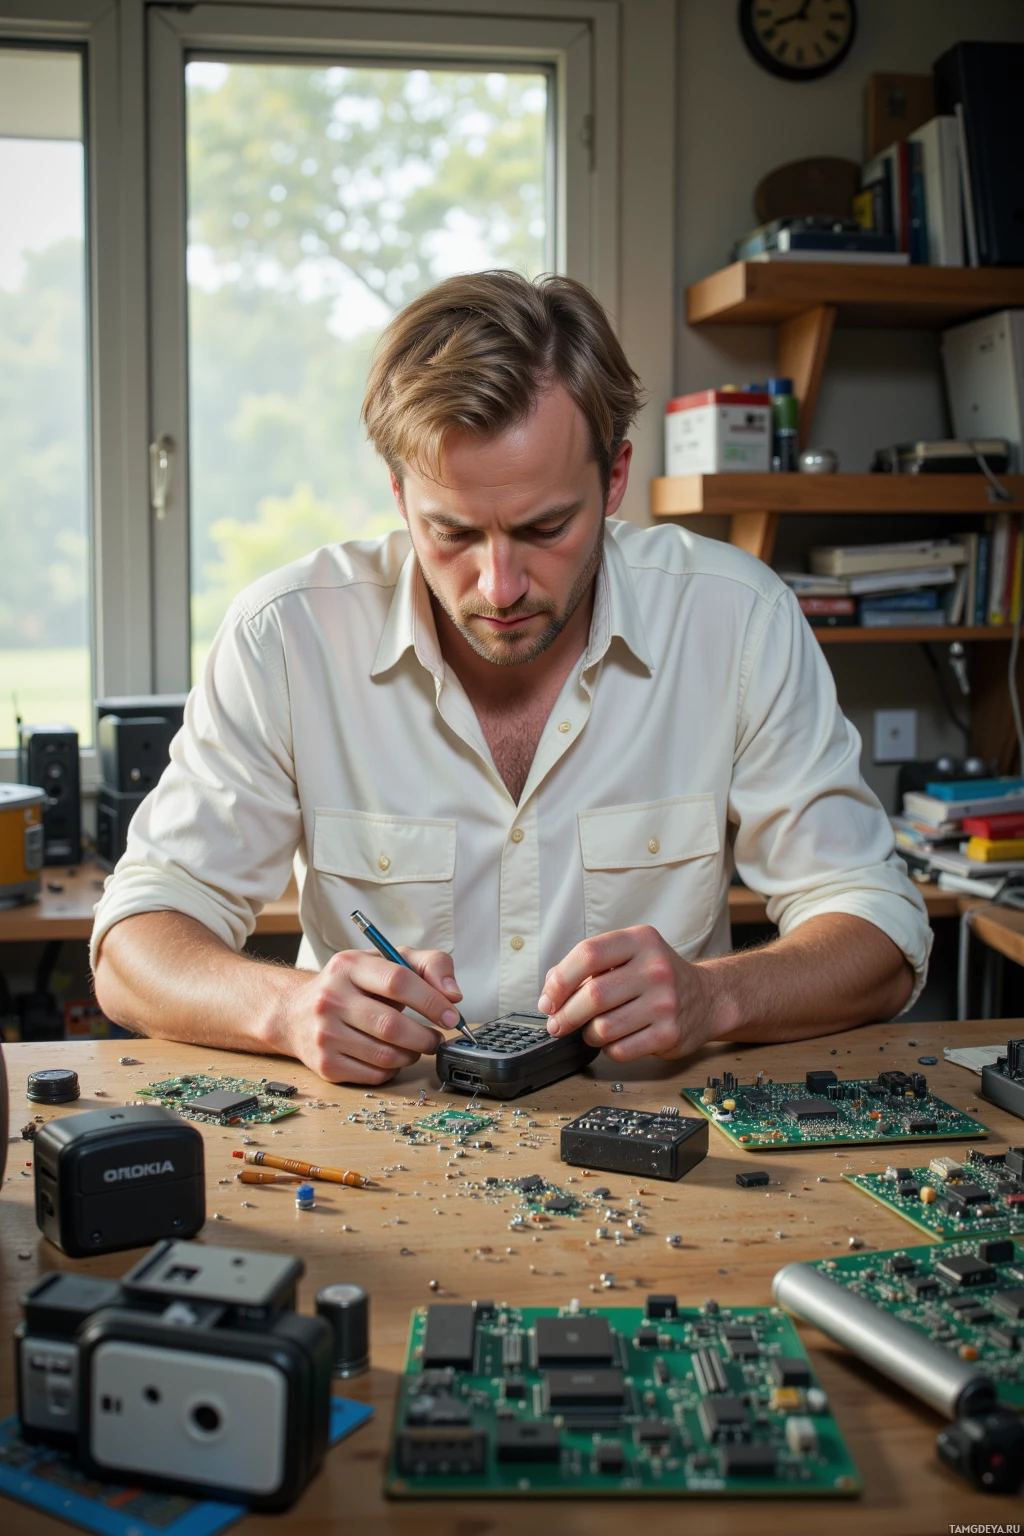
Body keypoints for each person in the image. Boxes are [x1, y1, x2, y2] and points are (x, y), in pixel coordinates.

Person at [92, 271, 930, 1084]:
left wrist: (717, 997)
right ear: (398, 493)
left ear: (613, 479)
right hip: (375, 1164)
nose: (499, 587)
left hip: (667, 1155)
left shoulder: (736, 619)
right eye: (451, 531)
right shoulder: (285, 637)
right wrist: (287, 1007)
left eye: (545, 526)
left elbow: (881, 937)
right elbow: (133, 947)